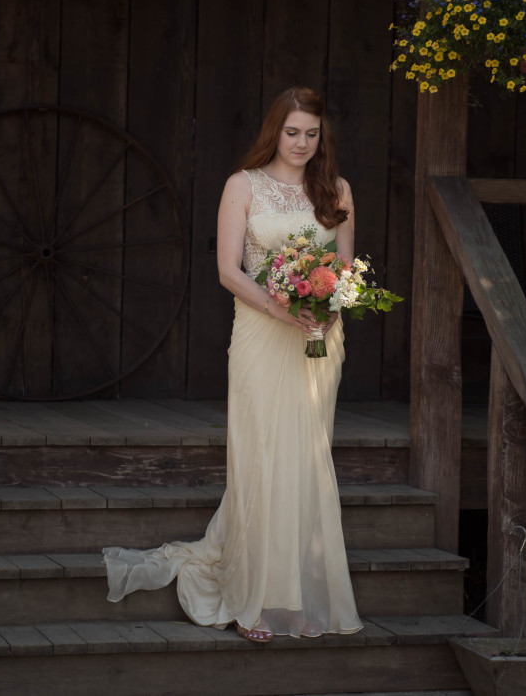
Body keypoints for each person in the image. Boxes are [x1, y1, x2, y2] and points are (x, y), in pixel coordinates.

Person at [103, 86, 363, 643]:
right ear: (275, 131)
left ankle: (297, 597)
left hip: (316, 341)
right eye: (292, 132)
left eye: (312, 133)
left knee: (306, 459)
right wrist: (281, 307)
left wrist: (329, 311)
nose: (301, 143)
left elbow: (344, 269)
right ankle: (252, 599)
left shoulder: (336, 190)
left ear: (323, 136)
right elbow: (228, 270)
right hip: (262, 333)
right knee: (263, 457)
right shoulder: (242, 186)